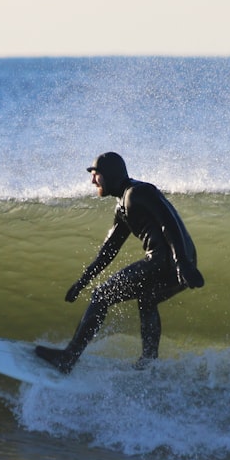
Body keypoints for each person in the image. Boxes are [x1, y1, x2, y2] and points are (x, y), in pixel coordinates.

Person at [35, 152, 204, 373]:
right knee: (147, 299)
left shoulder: (138, 192)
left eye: (96, 175)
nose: (92, 181)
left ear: (109, 175)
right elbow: (109, 250)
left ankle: (69, 357)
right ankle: (148, 363)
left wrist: (182, 262)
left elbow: (168, 222)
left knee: (102, 295)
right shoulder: (124, 204)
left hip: (168, 261)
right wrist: (82, 281)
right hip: (177, 261)